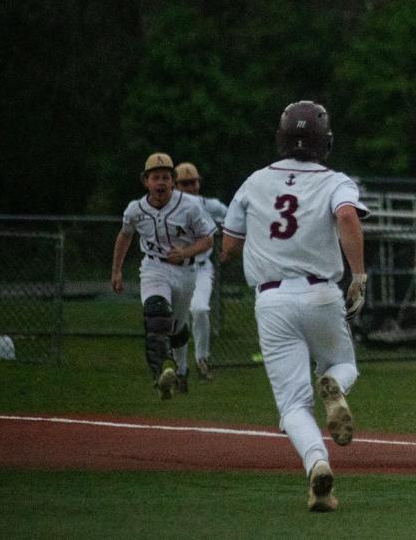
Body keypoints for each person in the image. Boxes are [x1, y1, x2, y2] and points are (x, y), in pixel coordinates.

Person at [220, 100, 368, 513]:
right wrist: (358, 276)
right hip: (321, 292)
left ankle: (317, 464)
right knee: (344, 365)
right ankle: (334, 386)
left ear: (281, 139)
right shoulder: (336, 180)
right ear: (326, 142)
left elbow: (229, 246)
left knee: (292, 406)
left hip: (272, 299)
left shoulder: (254, 181)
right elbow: (348, 219)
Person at [111, 153, 215, 400]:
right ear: (145, 181)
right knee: (156, 315)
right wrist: (116, 270)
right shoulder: (136, 209)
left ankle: (180, 370)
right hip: (153, 267)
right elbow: (125, 235)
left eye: (166, 177)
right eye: (155, 177)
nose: (161, 183)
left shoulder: (189, 206)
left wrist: (186, 252)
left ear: (173, 180)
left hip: (186, 271)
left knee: (177, 328)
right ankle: (160, 374)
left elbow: (208, 238)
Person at [174, 162, 228, 381]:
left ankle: (202, 359)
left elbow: (232, 222)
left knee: (199, 309)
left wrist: (227, 247)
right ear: (176, 185)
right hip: (175, 269)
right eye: (184, 183)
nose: (190, 187)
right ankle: (178, 366)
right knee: (177, 318)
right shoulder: (165, 208)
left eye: (193, 182)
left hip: (201, 268)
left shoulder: (210, 205)